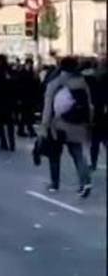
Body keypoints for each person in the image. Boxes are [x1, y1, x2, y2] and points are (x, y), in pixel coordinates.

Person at [41, 57, 93, 197]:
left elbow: (48, 107)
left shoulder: (55, 83)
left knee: (54, 155)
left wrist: (44, 126)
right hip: (78, 123)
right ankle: (85, 182)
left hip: (58, 124)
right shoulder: (82, 82)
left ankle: (54, 183)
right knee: (77, 154)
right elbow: (88, 104)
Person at [0, 54, 17, 152]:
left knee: (0, 125)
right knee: (9, 124)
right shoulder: (10, 72)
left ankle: (4, 143)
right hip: (8, 102)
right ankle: (11, 143)